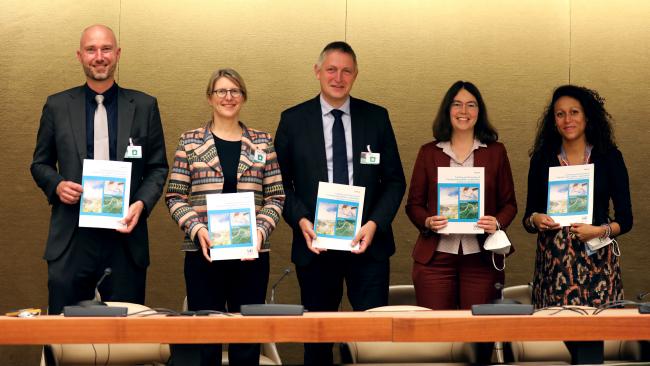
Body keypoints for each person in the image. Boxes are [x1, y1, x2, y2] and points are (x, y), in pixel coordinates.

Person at [274, 41, 406, 365]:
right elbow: (279, 184)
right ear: (317, 72)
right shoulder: (293, 120)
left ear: (356, 75)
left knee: (372, 341)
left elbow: (394, 181)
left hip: (368, 246)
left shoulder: (376, 117)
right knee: (318, 342)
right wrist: (303, 221)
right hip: (316, 246)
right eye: (331, 69)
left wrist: (374, 224)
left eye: (346, 70)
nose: (338, 77)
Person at [30, 24, 168, 315]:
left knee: (126, 335)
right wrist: (56, 184)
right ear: (79, 56)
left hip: (125, 237)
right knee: (64, 335)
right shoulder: (57, 106)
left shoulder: (144, 106)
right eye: (91, 50)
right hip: (71, 237)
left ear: (117, 54)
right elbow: (40, 163)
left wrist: (141, 203)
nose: (99, 56)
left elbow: (157, 168)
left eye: (106, 49)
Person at [166, 68, 284, 365]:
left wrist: (260, 231)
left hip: (251, 255)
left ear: (243, 97)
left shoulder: (263, 142)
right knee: (207, 339)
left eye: (234, 91)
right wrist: (197, 230)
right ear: (210, 98)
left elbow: (276, 196)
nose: (228, 97)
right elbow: (175, 196)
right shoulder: (190, 142)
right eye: (221, 91)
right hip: (203, 254)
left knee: (247, 340)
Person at [522, 85, 632, 364]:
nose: (567, 119)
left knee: (594, 341)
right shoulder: (543, 159)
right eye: (560, 114)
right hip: (554, 265)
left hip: (597, 261)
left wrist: (600, 230)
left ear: (587, 117)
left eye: (574, 112)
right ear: (553, 121)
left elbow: (626, 220)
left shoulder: (609, 157)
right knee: (556, 338)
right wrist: (536, 219)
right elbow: (528, 217)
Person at [405, 81, 517, 310]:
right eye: (457, 104)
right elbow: (414, 204)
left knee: (478, 337)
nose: (463, 111)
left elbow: (509, 204)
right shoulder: (429, 152)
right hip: (435, 259)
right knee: (437, 336)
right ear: (448, 110)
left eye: (471, 105)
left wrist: (496, 222)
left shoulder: (496, 152)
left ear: (479, 111)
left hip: (481, 259)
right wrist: (427, 220)